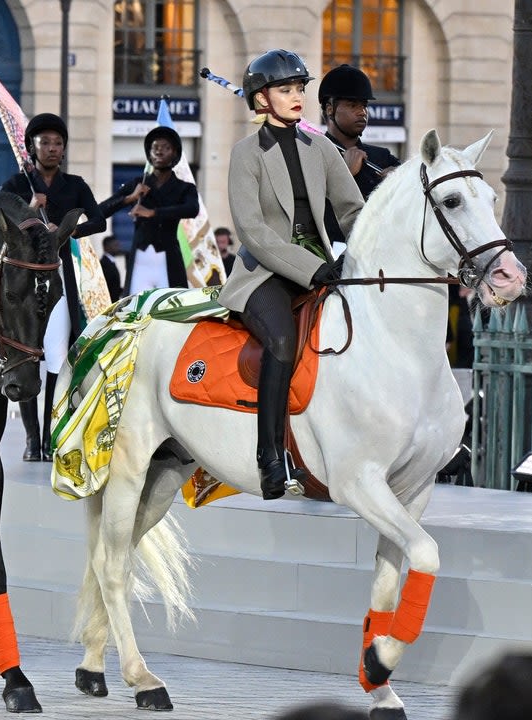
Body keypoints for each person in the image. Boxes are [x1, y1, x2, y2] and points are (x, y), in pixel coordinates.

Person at [219, 49, 363, 500]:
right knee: (282, 339)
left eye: (300, 88)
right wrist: (313, 267)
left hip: (325, 267)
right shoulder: (246, 154)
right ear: (262, 99)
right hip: (264, 273)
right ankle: (269, 457)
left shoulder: (320, 147)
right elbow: (253, 231)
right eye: (286, 89)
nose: (298, 95)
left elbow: (352, 210)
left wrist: (371, 251)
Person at [0, 111, 105, 462]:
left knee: (57, 356)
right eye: (46, 143)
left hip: (61, 277)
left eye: (59, 143)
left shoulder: (74, 185)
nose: (53, 149)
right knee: (29, 353)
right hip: (27, 280)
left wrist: (71, 230)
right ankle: (32, 439)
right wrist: (30, 209)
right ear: (32, 147)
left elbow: (99, 220)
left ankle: (52, 436)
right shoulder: (18, 184)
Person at [98, 125, 198, 293]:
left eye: (166, 148)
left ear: (175, 153)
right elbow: (100, 211)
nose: (159, 152)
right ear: (149, 154)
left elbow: (192, 209)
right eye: (155, 148)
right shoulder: (138, 183)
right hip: (140, 260)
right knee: (137, 312)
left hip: (169, 259)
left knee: (171, 310)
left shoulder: (185, 187)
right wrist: (130, 198)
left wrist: (154, 213)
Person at [317, 64, 398, 248]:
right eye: (353, 105)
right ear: (329, 108)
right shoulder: (312, 155)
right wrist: (345, 175)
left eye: (364, 105)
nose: (362, 112)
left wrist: (401, 180)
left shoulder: (382, 157)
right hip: (328, 263)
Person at [98, 235, 124, 302]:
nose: (118, 247)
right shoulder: (104, 264)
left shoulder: (111, 262)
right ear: (107, 247)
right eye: (115, 245)